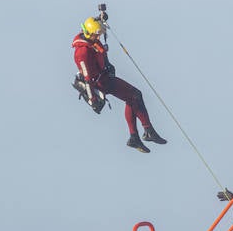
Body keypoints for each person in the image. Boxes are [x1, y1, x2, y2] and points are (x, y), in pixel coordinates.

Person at [71, 16, 166, 153]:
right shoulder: (82, 52)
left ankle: (135, 137)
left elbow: (96, 27)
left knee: (132, 97)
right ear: (89, 33)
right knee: (135, 95)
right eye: (97, 35)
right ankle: (147, 131)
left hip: (105, 76)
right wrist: (92, 100)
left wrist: (101, 17)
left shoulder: (91, 40)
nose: (98, 37)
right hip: (100, 83)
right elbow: (87, 78)